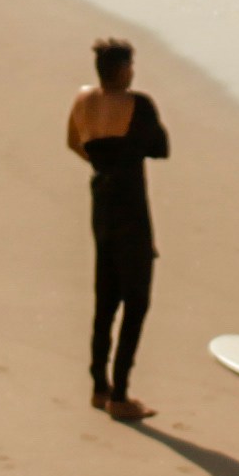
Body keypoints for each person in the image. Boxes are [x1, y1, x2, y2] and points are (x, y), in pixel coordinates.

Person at [65, 38, 171, 417]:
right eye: (131, 66)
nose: (134, 72)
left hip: (102, 204)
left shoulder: (82, 101)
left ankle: (99, 386)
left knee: (105, 297)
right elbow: (160, 148)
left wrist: (103, 166)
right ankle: (121, 396)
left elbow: (73, 142)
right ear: (122, 70)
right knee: (136, 301)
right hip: (131, 209)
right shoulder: (138, 105)